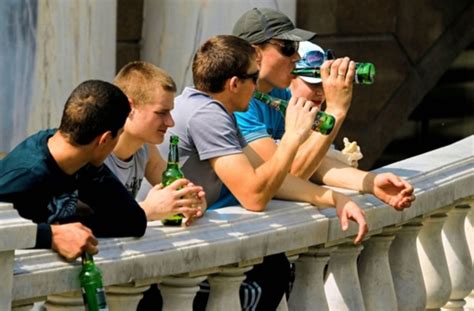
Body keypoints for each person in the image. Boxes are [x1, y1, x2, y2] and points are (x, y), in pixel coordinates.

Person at [158, 34, 367, 310]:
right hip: (174, 260)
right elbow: (254, 196)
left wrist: (334, 198)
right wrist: (293, 135)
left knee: (274, 267)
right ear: (234, 84)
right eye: (253, 79)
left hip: (194, 250)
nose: (258, 87)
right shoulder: (206, 114)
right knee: (271, 272)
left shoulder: (217, 111)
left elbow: (273, 179)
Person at [232, 8, 415, 210]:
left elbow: (315, 163)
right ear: (255, 52)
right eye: (287, 47)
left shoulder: (278, 95)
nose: (295, 57)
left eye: (296, 46)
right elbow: (288, 177)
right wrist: (336, 110)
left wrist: (372, 182)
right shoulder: (238, 104)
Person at [0, 80, 173, 261]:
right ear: (105, 139)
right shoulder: (27, 172)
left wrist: (69, 226)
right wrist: (49, 235)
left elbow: (133, 222)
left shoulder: (82, 160)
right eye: (120, 134)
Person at [107, 61, 206, 225]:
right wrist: (147, 210)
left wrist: (193, 203)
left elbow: (184, 193)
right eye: (161, 113)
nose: (170, 122)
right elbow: (86, 221)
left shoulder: (144, 147)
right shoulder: (94, 151)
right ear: (129, 107)